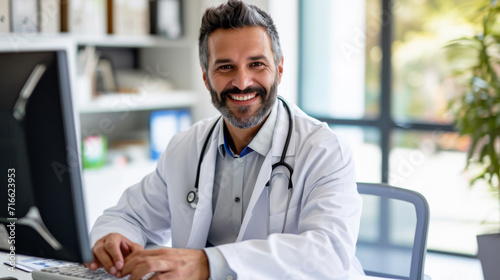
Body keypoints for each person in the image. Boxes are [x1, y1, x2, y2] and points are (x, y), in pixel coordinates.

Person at [89, 0, 364, 279]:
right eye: (225, 67)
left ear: (279, 69)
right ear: (206, 78)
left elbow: (328, 254)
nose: (242, 82)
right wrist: (114, 238)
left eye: (256, 64)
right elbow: (126, 216)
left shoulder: (325, 150)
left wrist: (207, 264)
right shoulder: (185, 147)